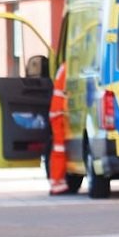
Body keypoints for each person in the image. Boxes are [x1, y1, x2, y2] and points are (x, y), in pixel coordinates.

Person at [48, 62, 70, 195]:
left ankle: (58, 181)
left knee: (59, 148)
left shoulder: (64, 67)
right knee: (59, 149)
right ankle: (57, 182)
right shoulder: (69, 67)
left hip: (58, 111)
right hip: (59, 113)